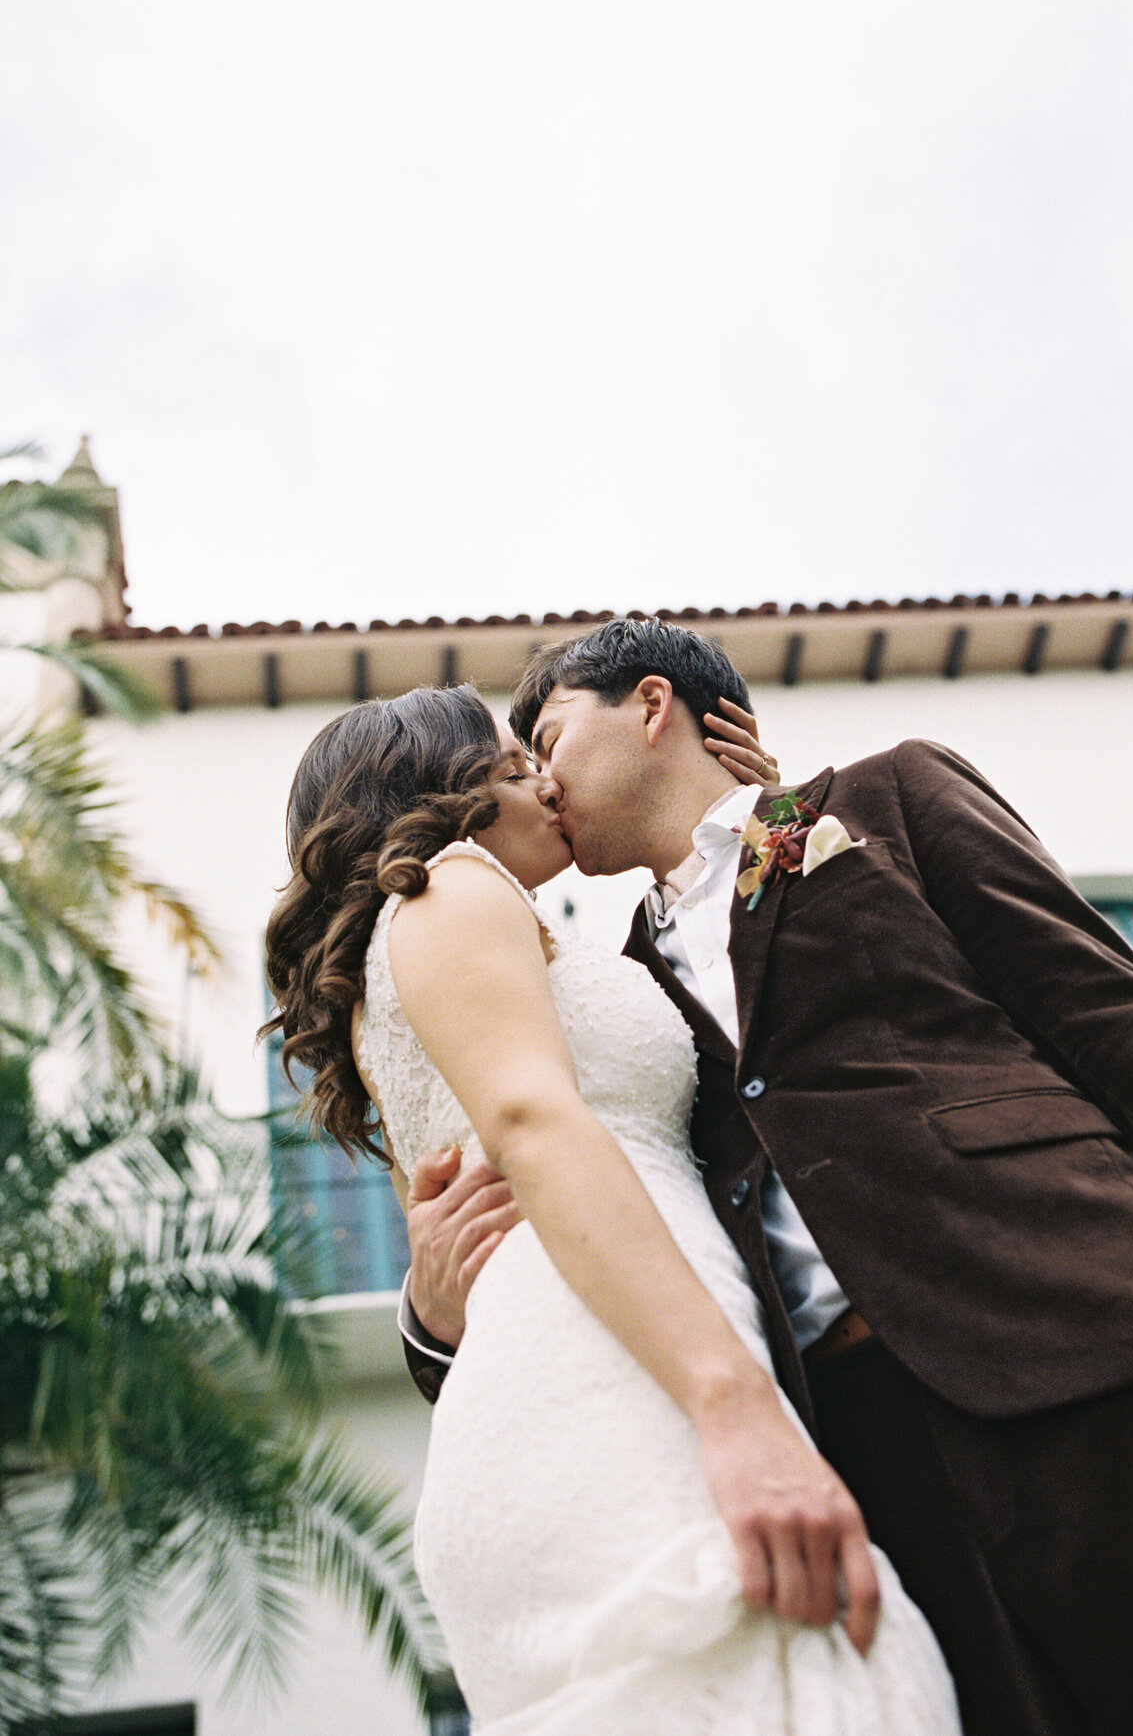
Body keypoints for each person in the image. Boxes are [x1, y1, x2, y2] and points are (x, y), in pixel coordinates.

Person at [404, 618, 1133, 1736]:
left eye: (548, 734)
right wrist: (435, 1320)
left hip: (1090, 1323)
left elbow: (1117, 1023)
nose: (536, 774)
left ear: (650, 705)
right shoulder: (613, 995)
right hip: (855, 1448)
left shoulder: (883, 800)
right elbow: (599, 1202)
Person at [264, 684, 961, 1736]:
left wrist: (761, 814)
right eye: (513, 760)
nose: (546, 780)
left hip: (588, 1372)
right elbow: (536, 1126)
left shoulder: (437, 958)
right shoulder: (454, 888)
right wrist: (736, 1410)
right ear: (445, 790)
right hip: (622, 1383)